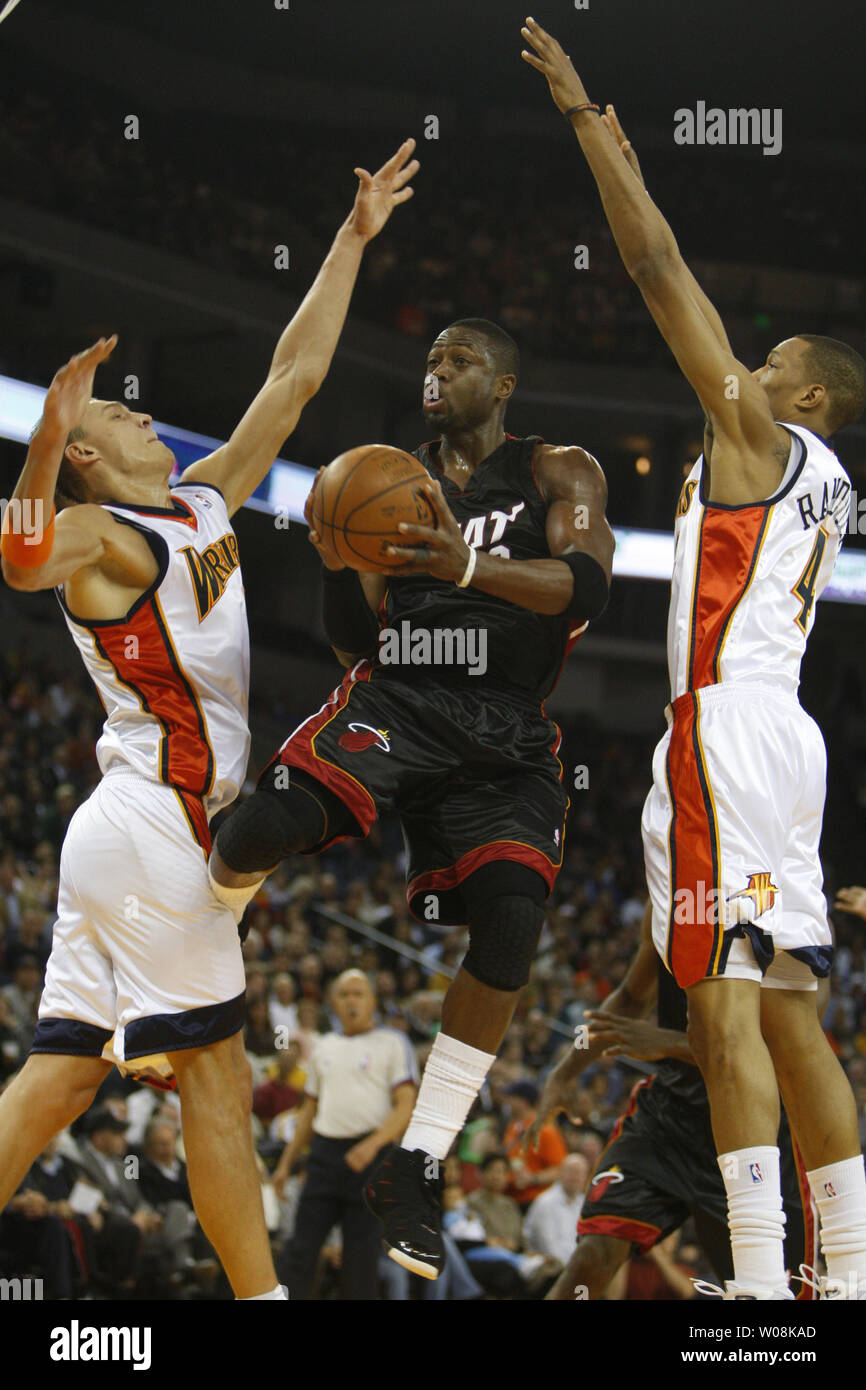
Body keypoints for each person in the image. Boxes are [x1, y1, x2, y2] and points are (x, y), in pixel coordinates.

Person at [0, 138, 419, 1302]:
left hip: (132, 833)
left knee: (58, 1083)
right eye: (122, 423)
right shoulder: (100, 538)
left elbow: (290, 381)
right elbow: (19, 553)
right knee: (219, 1074)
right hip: (150, 827)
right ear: (87, 452)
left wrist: (350, 240)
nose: (149, 422)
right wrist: (39, 442)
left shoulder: (198, 499)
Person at [523, 16, 866, 1300]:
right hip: (786, 744)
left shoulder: (766, 441)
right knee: (786, 1013)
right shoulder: (825, 481)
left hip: (722, 729)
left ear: (809, 398)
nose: (747, 367)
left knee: (725, 1013)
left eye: (770, 363)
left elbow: (655, 263)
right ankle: (843, 1276)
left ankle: (768, 1289)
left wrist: (587, 126)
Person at [209, 309, 616, 1277]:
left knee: (512, 922)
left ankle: (416, 1162)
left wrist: (467, 564)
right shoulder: (389, 472)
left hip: (506, 727)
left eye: (461, 358)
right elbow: (352, 638)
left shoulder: (560, 469)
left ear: (502, 383)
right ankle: (197, 943)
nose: (440, 370)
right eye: (431, 357)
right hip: (401, 692)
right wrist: (338, 564)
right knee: (262, 826)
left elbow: (587, 587)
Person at [530, 903, 820, 1301]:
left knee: (767, 1293)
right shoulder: (667, 892)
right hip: (669, 1119)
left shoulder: (779, 900)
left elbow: (788, 1046)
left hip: (754, 1128)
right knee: (593, 1257)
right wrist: (563, 1071)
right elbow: (630, 999)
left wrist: (669, 1043)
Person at [271, 970, 417, 1299]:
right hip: (324, 1155)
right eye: (345, 994)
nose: (352, 1001)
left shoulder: (393, 1042)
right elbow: (308, 1112)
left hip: (371, 1157)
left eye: (359, 994)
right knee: (300, 1249)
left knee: (360, 1258)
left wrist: (374, 1144)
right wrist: (285, 1163)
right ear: (334, 1003)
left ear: (372, 1002)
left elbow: (406, 1105)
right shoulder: (325, 1046)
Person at [501, 1079, 567, 1207]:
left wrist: (532, 1178)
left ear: (524, 1102)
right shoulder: (513, 1127)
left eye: (511, 1098)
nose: (507, 1102)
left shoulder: (545, 1131)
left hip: (536, 1201)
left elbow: (560, 1169)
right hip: (512, 1199)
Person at [522, 1153, 589, 1266]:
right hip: (547, 1266)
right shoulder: (545, 1202)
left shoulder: (584, 1204)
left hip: (575, 1267)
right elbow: (548, 1246)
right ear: (561, 1173)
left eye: (580, 1173)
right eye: (571, 1172)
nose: (575, 1177)